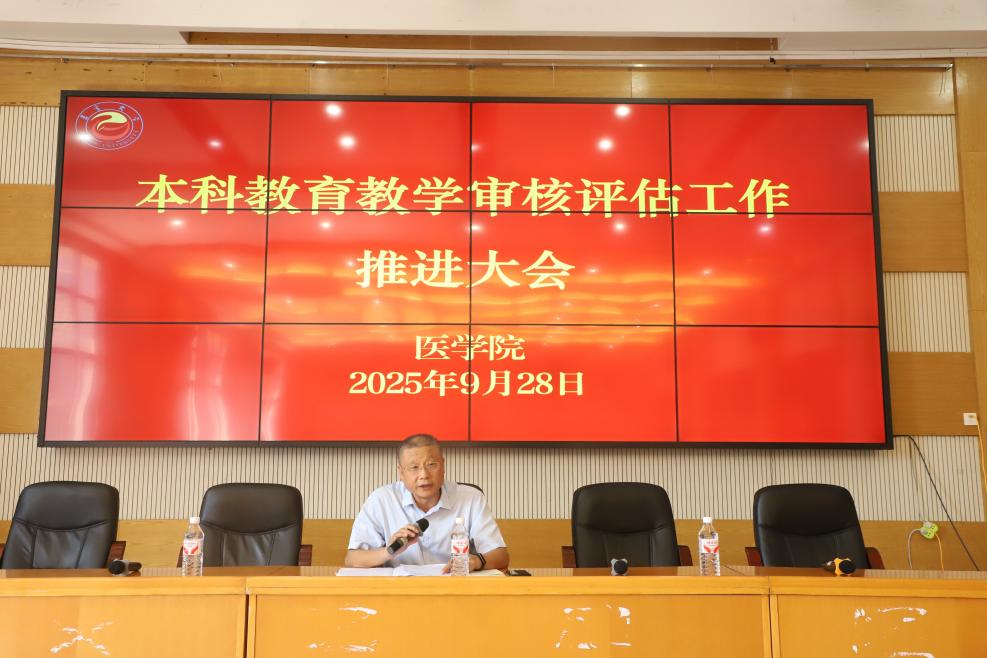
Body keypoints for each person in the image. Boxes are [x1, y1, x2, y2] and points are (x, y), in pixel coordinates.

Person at [345, 433, 510, 571]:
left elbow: (501, 557)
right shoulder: (381, 500)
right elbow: (352, 559)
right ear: (401, 472)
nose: (424, 475)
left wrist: (476, 561)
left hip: (455, 588)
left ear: (443, 466)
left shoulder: (471, 498)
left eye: (431, 465)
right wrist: (390, 551)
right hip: (400, 591)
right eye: (414, 467)